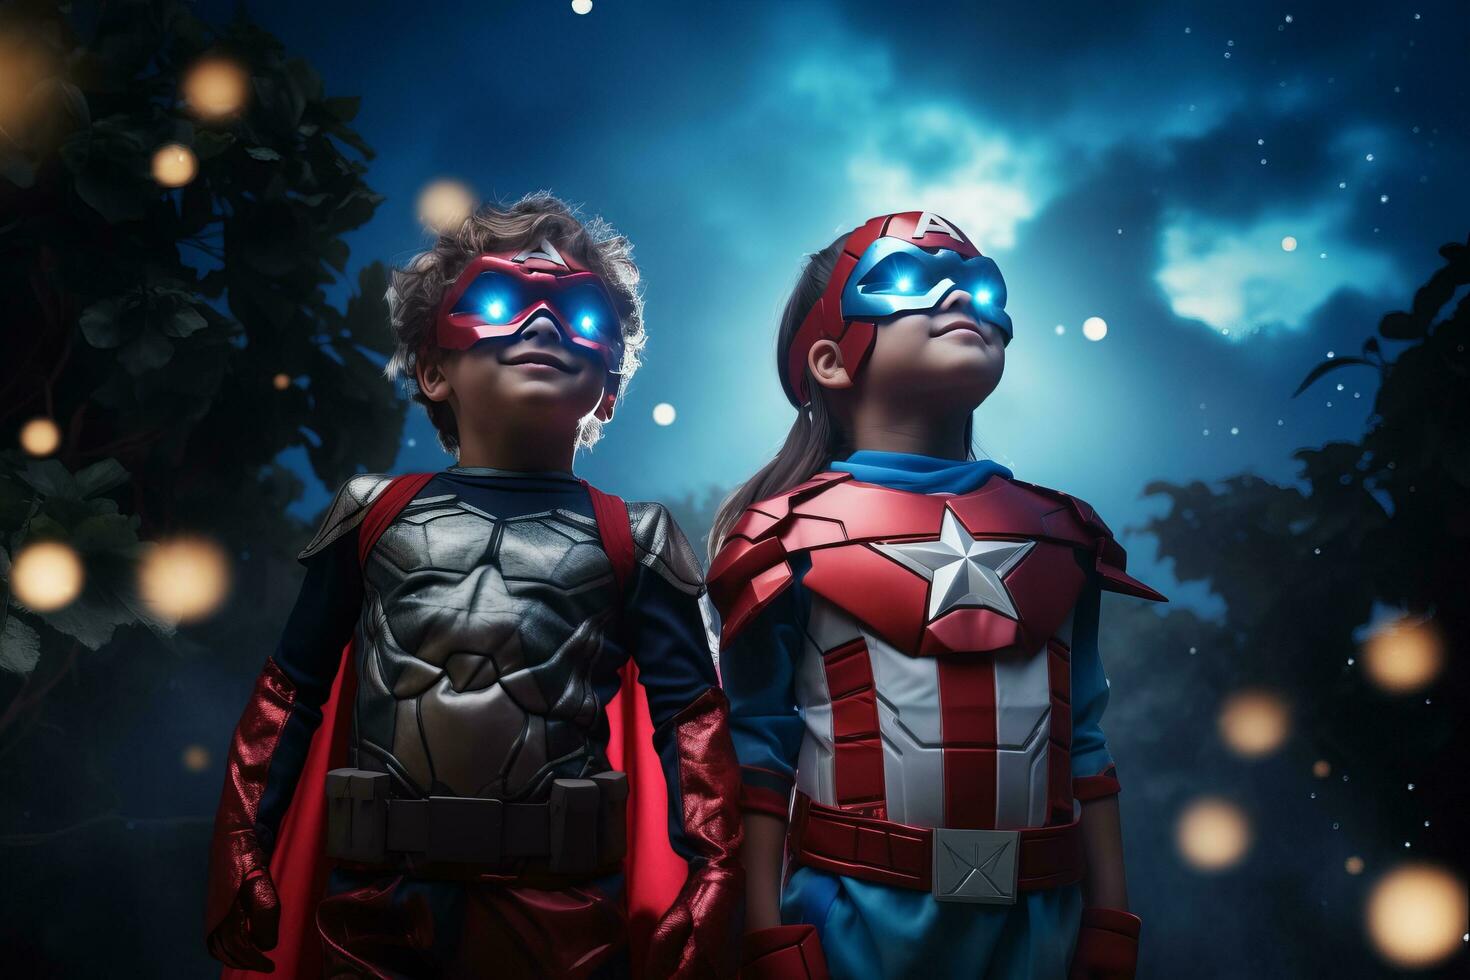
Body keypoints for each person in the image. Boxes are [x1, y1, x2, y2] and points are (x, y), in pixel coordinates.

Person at [204, 192, 743, 979]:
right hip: (377, 905)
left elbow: (691, 724)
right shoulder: (371, 516)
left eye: (581, 315)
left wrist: (717, 870)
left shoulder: (638, 537)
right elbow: (289, 695)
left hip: (563, 911)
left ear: (609, 386)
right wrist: (240, 842)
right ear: (431, 367)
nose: (546, 325)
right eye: (499, 301)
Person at [707, 211, 1165, 980]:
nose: (961, 293)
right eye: (905, 280)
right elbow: (758, 754)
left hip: (1040, 924)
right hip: (852, 918)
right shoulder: (782, 537)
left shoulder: (1063, 533)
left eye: (984, 285)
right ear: (828, 356)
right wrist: (765, 933)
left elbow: (1086, 742)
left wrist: (1111, 921)